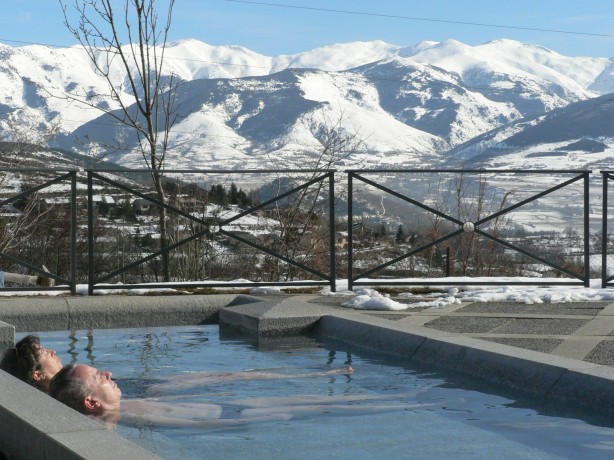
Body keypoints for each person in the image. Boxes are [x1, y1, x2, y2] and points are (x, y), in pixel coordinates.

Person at [49, 363, 424, 429]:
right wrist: (252, 419)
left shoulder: (125, 407)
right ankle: (410, 402)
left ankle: (408, 397)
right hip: (235, 414)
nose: (110, 373)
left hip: (236, 407)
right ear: (91, 403)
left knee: (332, 403)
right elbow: (195, 425)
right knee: (326, 408)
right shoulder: (127, 418)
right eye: (100, 376)